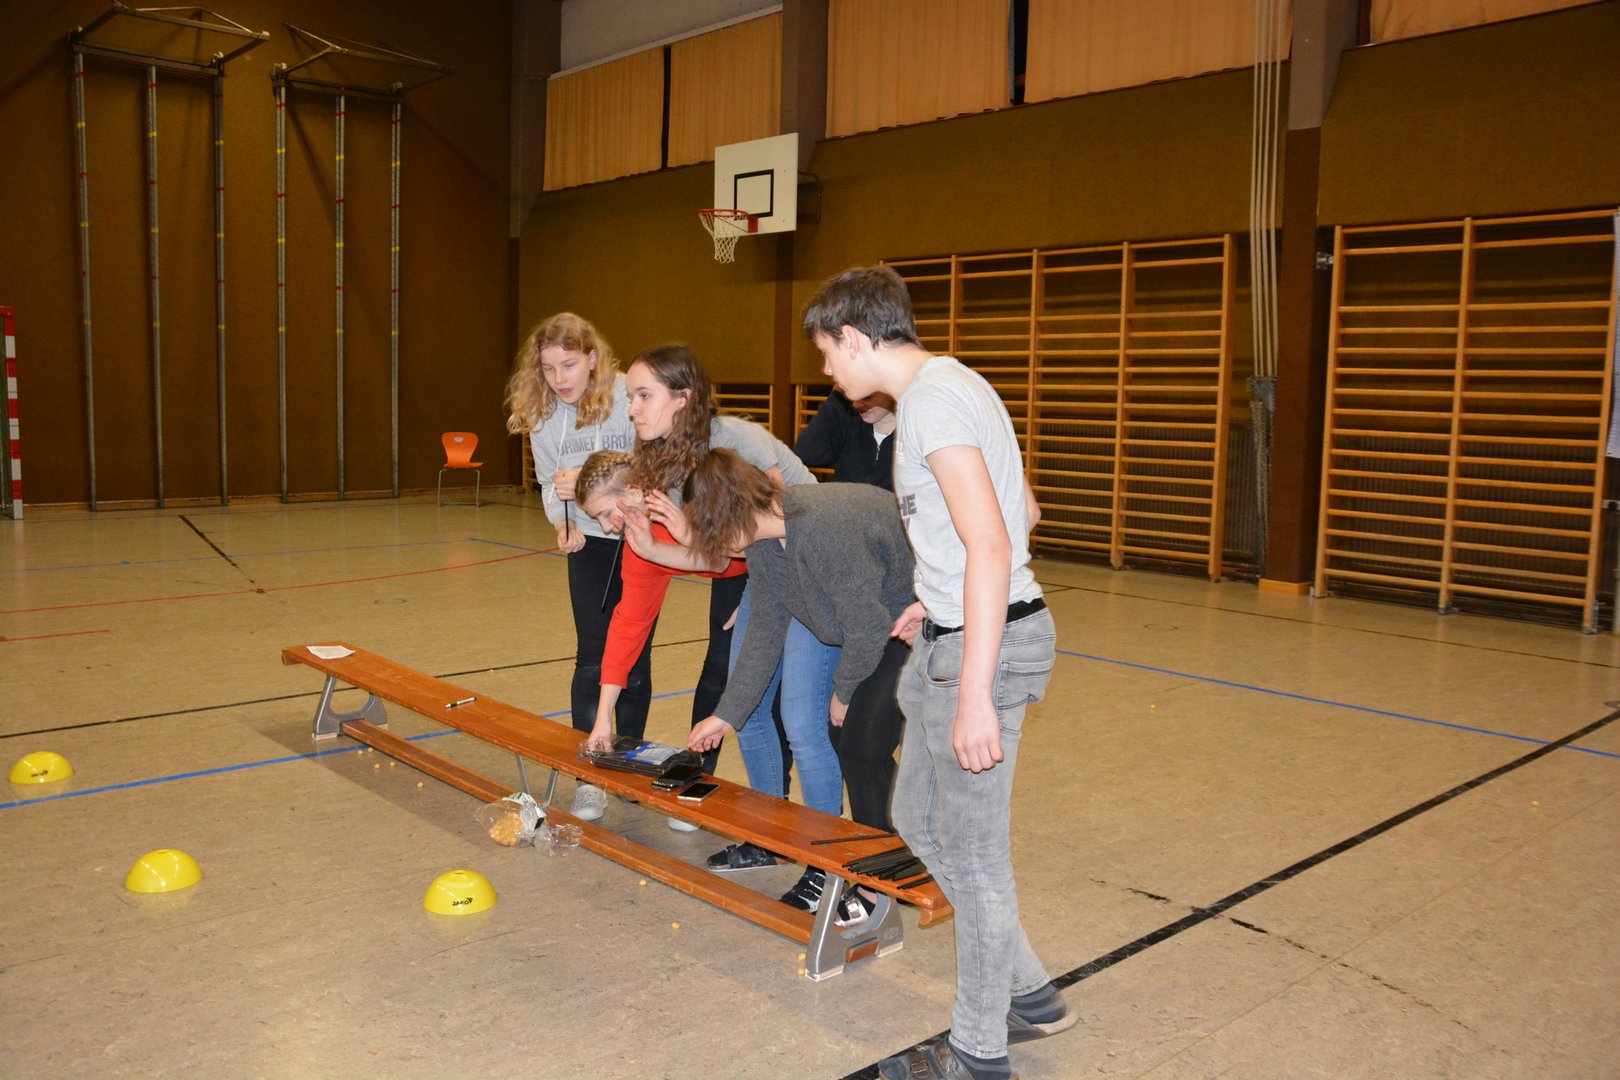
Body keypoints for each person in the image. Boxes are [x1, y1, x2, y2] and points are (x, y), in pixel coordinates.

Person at [804, 266, 1073, 1080]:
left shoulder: (933, 402)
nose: (828, 372)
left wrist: (978, 694)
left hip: (984, 652)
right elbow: (1022, 512)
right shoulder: (950, 389)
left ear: (854, 338)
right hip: (949, 634)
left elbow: (993, 542)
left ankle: (979, 1051)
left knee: (976, 857)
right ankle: (1028, 992)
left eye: (826, 354)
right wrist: (939, 593)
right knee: (915, 819)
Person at [624, 344, 844, 900]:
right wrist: (654, 547)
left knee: (802, 721)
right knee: (746, 710)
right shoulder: (666, 458)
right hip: (764, 572)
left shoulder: (736, 440)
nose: (633, 409)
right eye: (631, 397)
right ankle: (768, 836)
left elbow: (782, 522)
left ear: (683, 398)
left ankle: (827, 863)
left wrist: (749, 588)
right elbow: (724, 554)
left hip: (812, 573)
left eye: (644, 395)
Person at [683, 449, 915, 926]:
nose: (716, 545)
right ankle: (896, 854)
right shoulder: (766, 546)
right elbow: (765, 633)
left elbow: (870, 627)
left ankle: (878, 885)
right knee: (851, 746)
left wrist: (843, 692)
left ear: (733, 511)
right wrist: (726, 716)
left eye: (713, 531)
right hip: (871, 630)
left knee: (861, 749)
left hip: (906, 624)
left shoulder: (823, 526)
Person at [503, 313, 645, 824]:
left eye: (568, 365)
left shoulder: (627, 398)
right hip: (587, 543)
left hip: (636, 538)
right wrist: (561, 522)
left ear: (592, 359)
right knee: (592, 657)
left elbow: (647, 466)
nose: (559, 378)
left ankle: (626, 762)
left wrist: (588, 480)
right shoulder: (543, 415)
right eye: (548, 369)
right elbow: (548, 484)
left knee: (634, 659)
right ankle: (589, 775)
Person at [793, 389, 897, 489]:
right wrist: (837, 396)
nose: (856, 404)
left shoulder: (906, 433)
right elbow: (807, 454)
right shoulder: (849, 417)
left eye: (867, 397)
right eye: (852, 396)